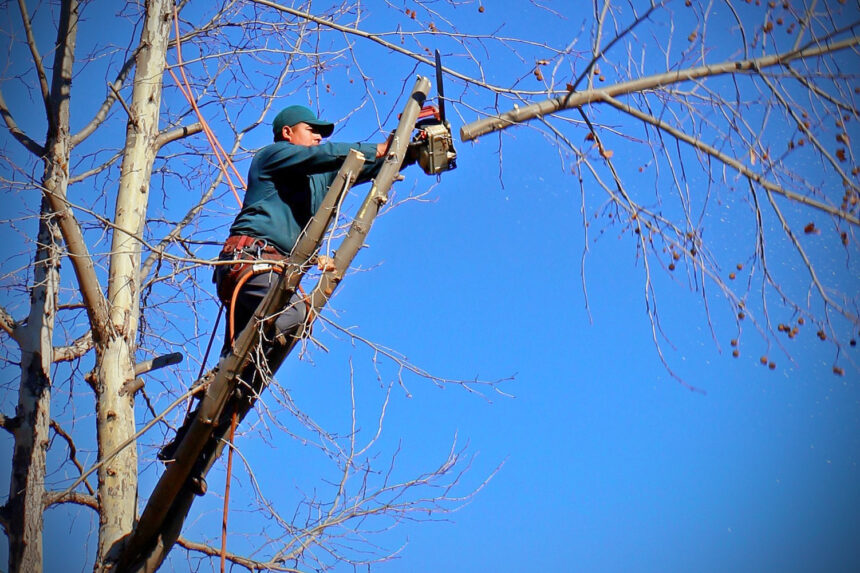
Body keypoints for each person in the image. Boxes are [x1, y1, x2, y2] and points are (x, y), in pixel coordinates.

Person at [158, 106, 409, 492]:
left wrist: (412, 145)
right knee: (294, 318)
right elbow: (327, 155)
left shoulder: (321, 177)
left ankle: (191, 452)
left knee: (248, 378)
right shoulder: (272, 157)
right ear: (288, 133)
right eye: (313, 130)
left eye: (324, 133)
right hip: (251, 263)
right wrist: (377, 146)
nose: (320, 137)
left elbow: (370, 165)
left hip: (273, 279)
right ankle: (218, 379)